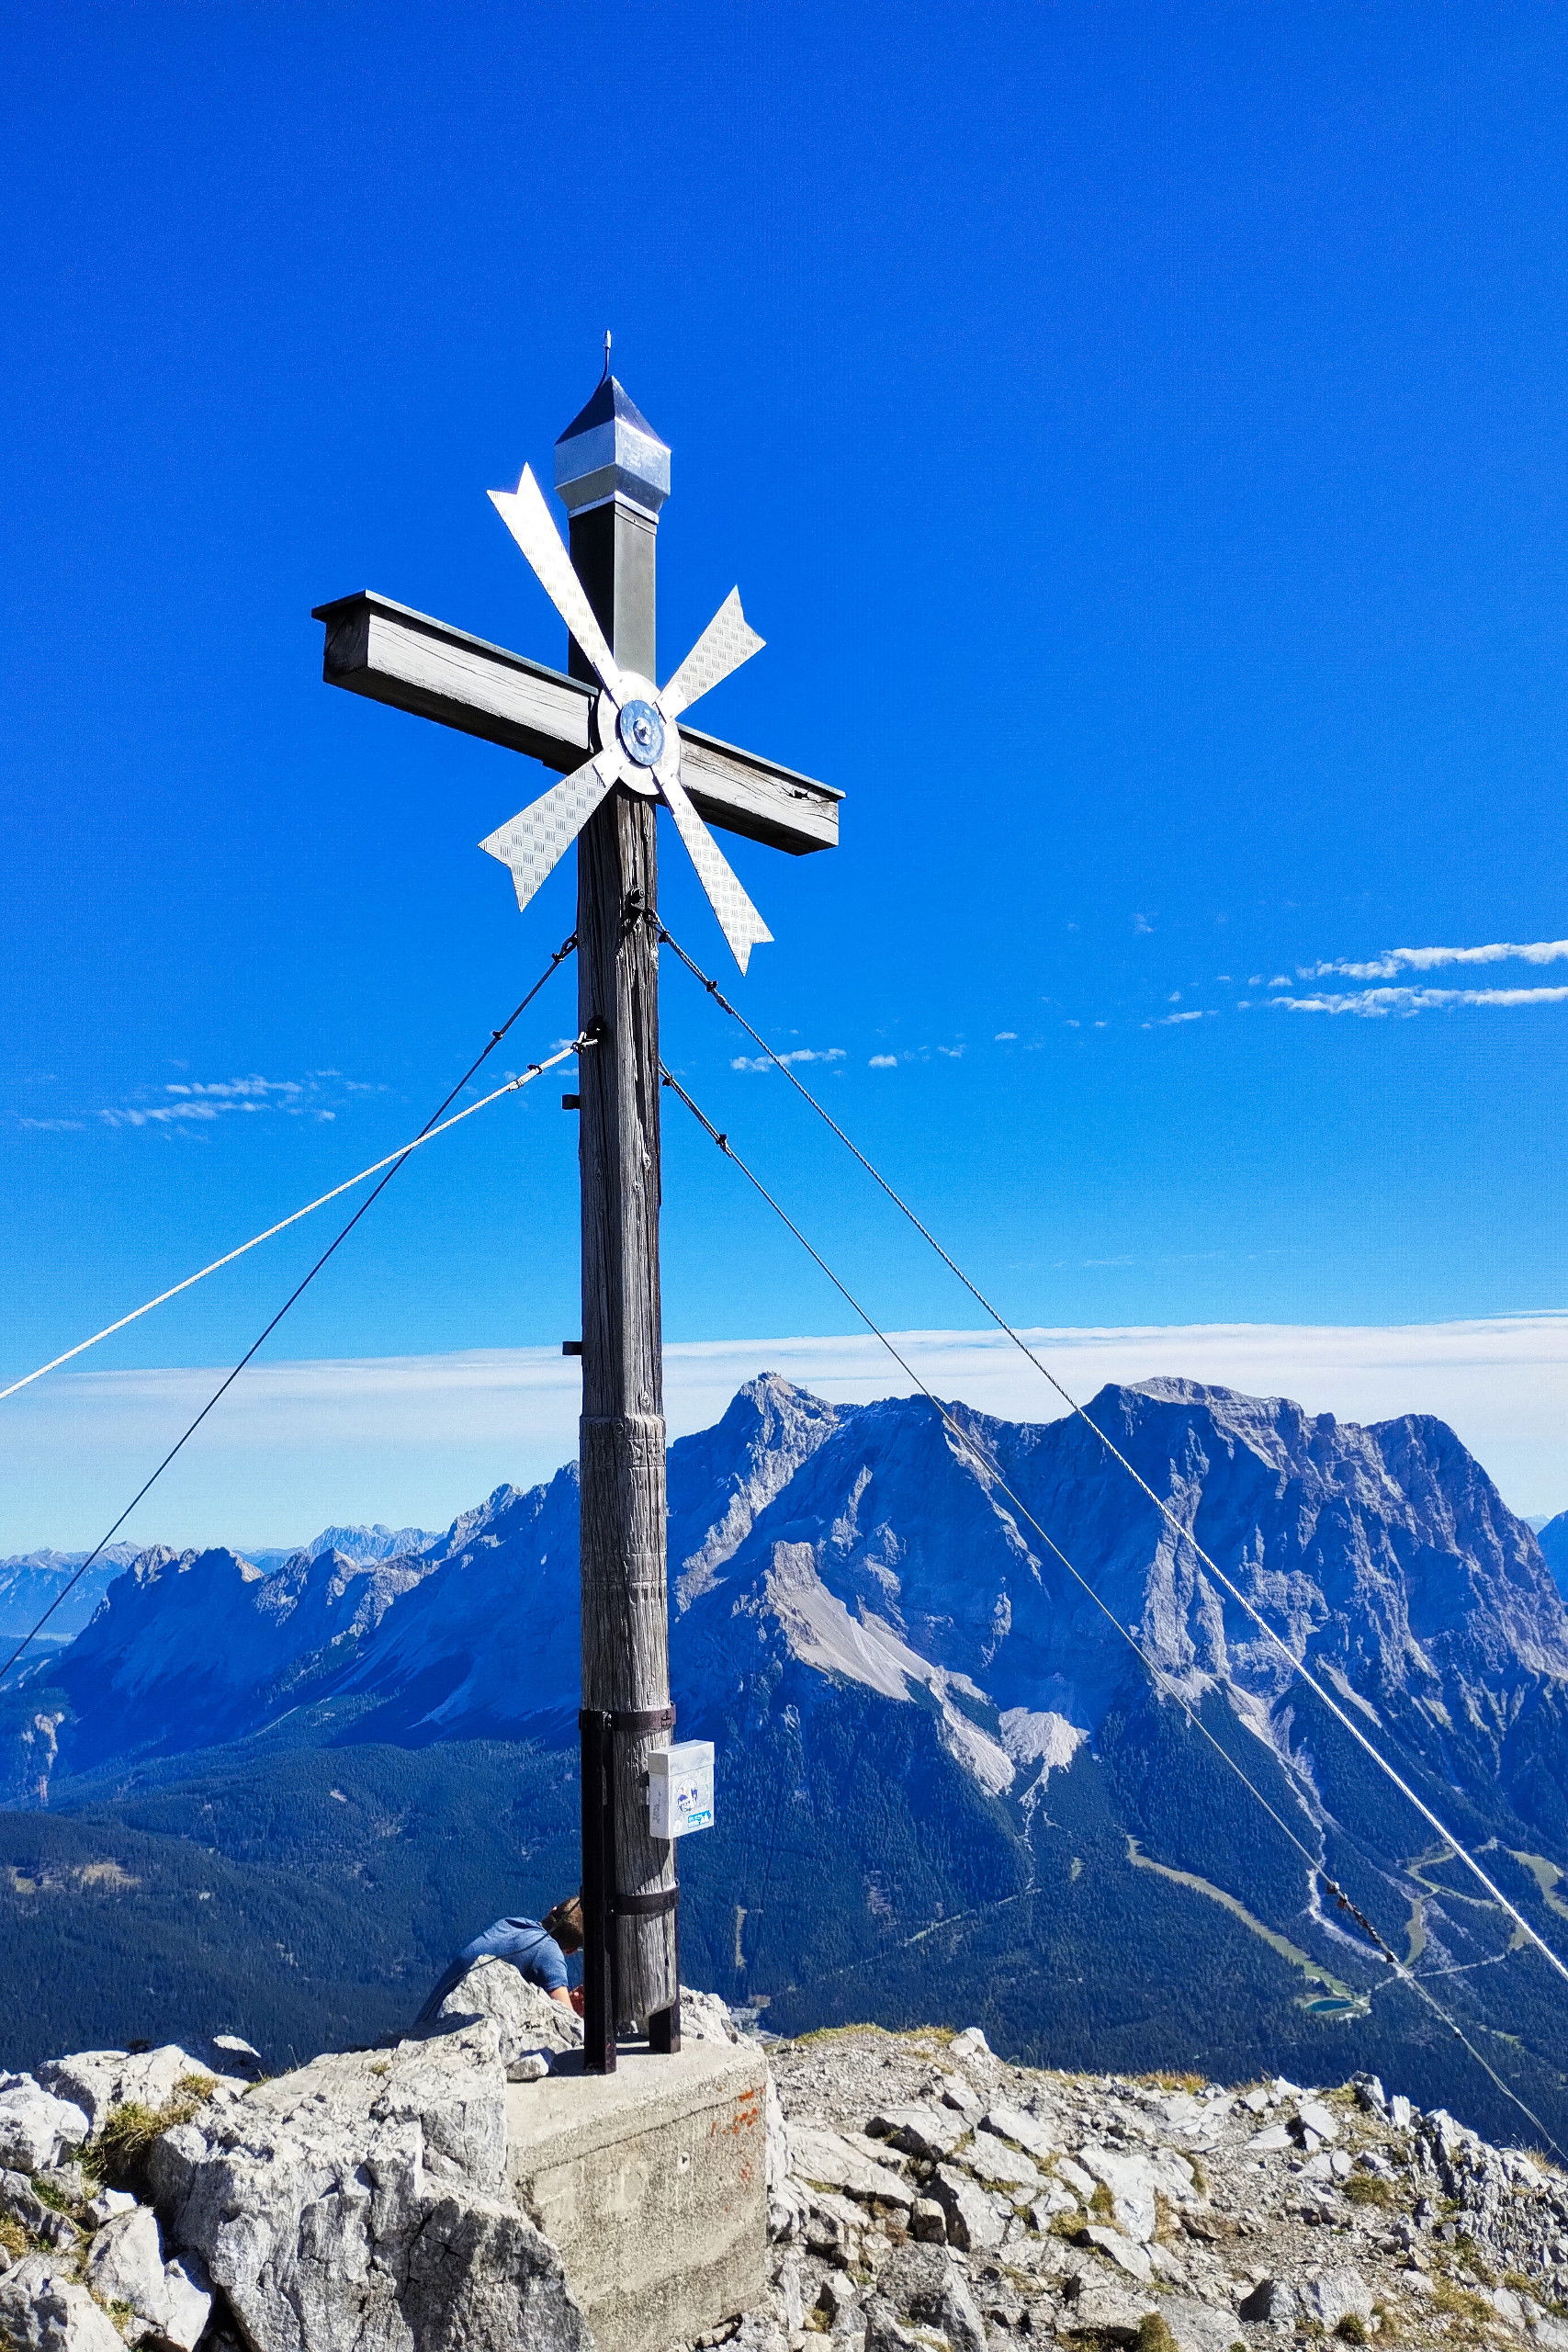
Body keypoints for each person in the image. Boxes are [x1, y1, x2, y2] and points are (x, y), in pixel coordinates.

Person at [415, 1895, 584, 2025]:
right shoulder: (548, 1953)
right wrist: (572, 2008)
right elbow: (568, 2022)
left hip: (426, 2025)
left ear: (552, 1910)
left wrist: (561, 2004)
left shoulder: (511, 1923)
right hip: (448, 2037)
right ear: (570, 1950)